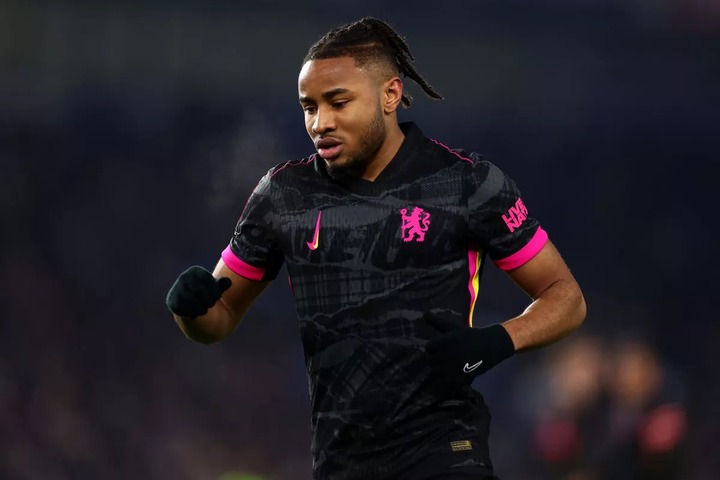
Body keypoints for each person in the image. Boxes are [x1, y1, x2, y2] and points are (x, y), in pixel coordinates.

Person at [165, 16, 586, 480]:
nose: (320, 122)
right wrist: (190, 309)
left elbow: (565, 298)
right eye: (309, 107)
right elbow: (218, 317)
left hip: (446, 452)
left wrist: (498, 340)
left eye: (338, 102)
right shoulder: (283, 195)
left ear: (390, 94)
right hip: (340, 462)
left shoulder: (468, 183)